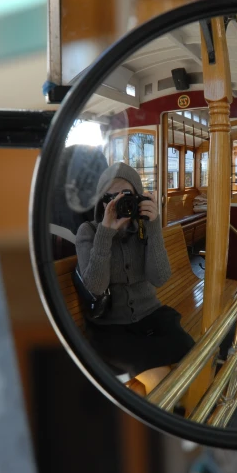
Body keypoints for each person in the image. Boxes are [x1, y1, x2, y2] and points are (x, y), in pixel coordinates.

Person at [75, 162, 195, 396]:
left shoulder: (144, 228)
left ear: (139, 197)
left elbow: (160, 278)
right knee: (161, 381)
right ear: (102, 202)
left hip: (152, 317)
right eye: (111, 197)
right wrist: (105, 234)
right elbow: (95, 288)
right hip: (112, 328)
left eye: (126, 195)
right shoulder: (88, 231)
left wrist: (154, 229)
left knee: (194, 360)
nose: (119, 203)